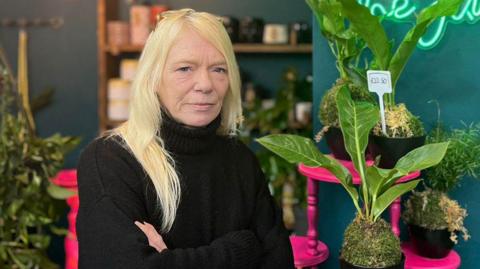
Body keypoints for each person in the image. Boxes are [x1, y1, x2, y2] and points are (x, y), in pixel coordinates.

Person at [76, 9, 294, 268]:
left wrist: (167, 260)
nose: (205, 84)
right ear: (153, 79)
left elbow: (279, 261)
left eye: (218, 69)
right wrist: (239, 250)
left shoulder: (241, 160)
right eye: (185, 68)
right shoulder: (111, 160)